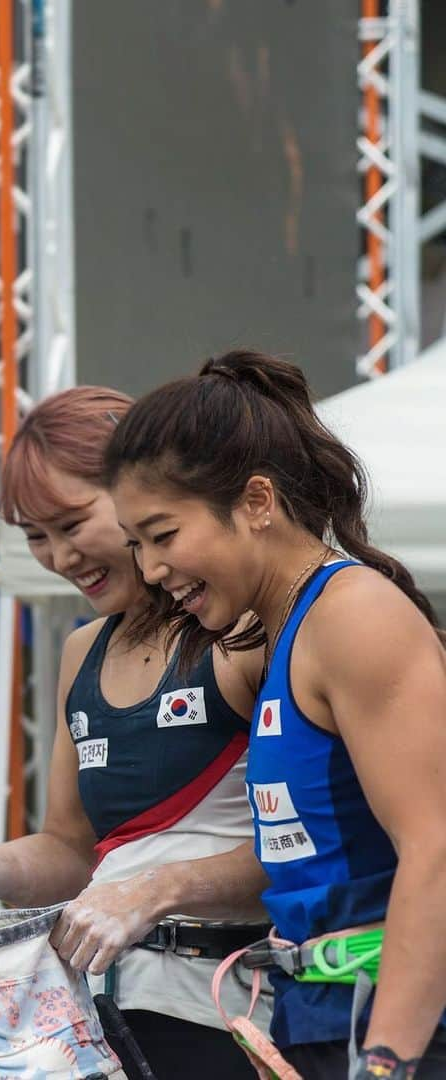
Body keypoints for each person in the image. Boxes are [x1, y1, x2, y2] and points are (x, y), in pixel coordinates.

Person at [0, 386, 272, 1079]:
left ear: (136, 494)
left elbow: (322, 849)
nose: (60, 557)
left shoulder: (243, 635)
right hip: (96, 1025)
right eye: (35, 535)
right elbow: (70, 851)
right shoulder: (82, 651)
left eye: (71, 523)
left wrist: (156, 890)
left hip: (234, 1016)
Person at [101, 350, 446, 1079]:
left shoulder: (353, 616)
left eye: (163, 536)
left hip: (397, 1033)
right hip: (317, 1021)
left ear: (257, 501)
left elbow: (437, 850)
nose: (153, 571)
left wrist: (385, 1062)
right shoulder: (282, 635)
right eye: (136, 545)